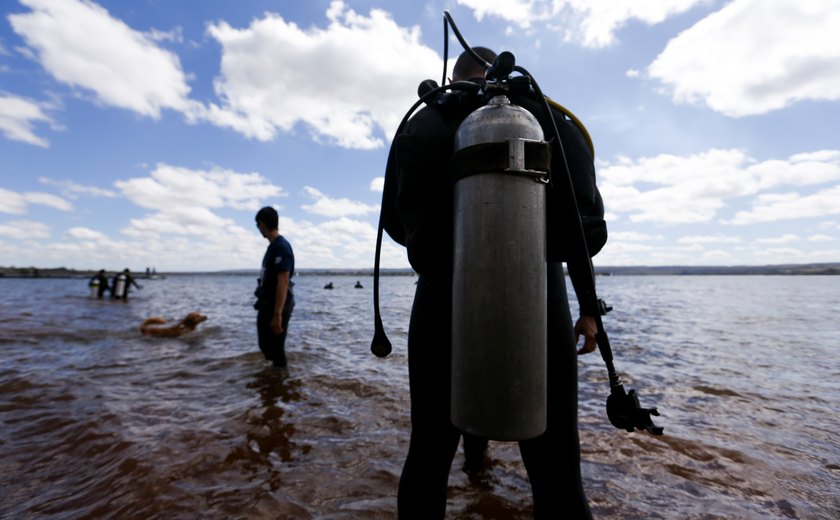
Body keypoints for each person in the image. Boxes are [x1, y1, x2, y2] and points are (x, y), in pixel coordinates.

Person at [383, 47, 607, 519]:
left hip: (441, 301)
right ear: (494, 71)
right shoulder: (539, 114)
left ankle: (475, 468)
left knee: (428, 458)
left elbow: (396, 225)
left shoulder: (429, 120)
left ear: (453, 76)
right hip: (539, 299)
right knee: (558, 473)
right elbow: (580, 229)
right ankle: (485, 474)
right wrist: (589, 309)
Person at [254, 206, 296, 368]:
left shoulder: (281, 247)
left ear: (262, 224)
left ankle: (281, 377)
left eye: (258, 225)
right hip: (267, 303)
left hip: (278, 306)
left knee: (276, 349)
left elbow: (283, 281)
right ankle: (274, 379)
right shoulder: (273, 247)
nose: (258, 229)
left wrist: (277, 315)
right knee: (265, 345)